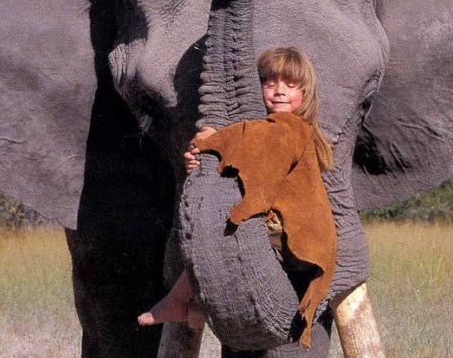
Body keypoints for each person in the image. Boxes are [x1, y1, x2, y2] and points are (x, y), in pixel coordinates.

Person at [137, 46, 333, 327]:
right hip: (293, 237)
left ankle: (178, 299)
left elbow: (252, 143)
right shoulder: (276, 128)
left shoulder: (290, 129)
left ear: (306, 93)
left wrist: (213, 139)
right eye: (270, 82)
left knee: (218, 224)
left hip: (293, 234)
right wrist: (203, 167)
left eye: (291, 85)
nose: (279, 91)